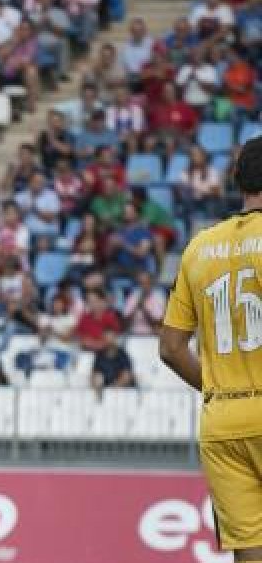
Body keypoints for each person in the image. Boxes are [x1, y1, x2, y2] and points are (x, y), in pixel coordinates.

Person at [161, 136, 262, 562]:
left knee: (248, 553)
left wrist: (218, 388)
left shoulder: (200, 247)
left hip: (222, 421)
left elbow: (170, 347)